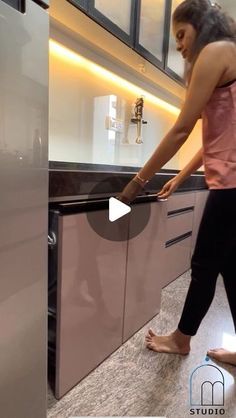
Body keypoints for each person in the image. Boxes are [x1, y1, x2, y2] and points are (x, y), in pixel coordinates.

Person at [118, 0, 236, 366]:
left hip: (232, 188)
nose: (180, 46)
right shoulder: (226, 54)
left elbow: (182, 130)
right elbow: (216, 140)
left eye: (181, 35)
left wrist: (135, 185)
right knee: (230, 269)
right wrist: (179, 178)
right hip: (230, 183)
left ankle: (182, 339)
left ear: (201, 25)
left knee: (202, 265)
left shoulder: (217, 51)